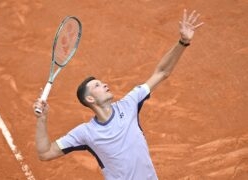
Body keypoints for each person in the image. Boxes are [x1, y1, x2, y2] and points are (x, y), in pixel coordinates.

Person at [33, 9, 204, 180]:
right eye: (97, 85)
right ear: (90, 99)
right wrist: (42, 119)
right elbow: (45, 153)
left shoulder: (130, 103)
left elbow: (162, 72)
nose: (105, 84)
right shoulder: (86, 133)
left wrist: (183, 42)